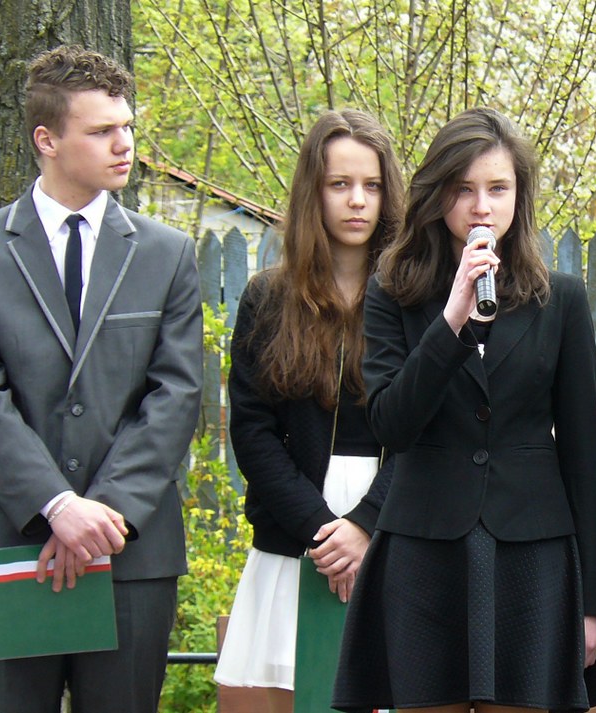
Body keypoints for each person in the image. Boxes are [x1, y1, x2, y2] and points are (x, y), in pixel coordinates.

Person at [333, 107, 596, 713]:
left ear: (519, 196)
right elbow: (391, 424)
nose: (481, 207)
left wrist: (593, 602)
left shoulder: (560, 299)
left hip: (531, 551)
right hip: (424, 548)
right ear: (437, 195)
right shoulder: (392, 291)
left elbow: (584, 454)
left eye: (497, 189)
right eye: (463, 189)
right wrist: (451, 320)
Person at [0, 45, 203, 713]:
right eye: (101, 131)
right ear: (47, 140)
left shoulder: (167, 254)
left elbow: (176, 396)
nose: (124, 144)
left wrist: (103, 514)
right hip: (10, 537)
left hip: (131, 549)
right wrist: (57, 506)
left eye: (127, 127)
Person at [212, 109, 403, 713]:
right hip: (297, 531)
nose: (357, 200)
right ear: (312, 192)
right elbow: (253, 431)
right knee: (293, 695)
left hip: (394, 527)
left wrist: (365, 524)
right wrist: (323, 532)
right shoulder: (268, 298)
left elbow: (430, 429)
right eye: (339, 184)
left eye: (372, 185)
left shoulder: (417, 298)